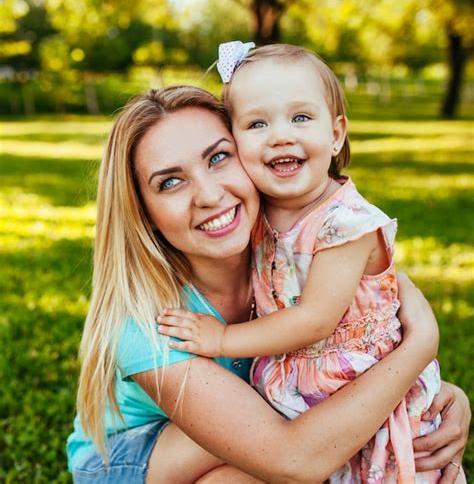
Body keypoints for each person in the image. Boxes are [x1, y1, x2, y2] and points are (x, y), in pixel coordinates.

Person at [67, 85, 470, 484]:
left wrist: (426, 399)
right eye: (170, 182)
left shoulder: (296, 255)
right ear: (145, 212)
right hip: (134, 457)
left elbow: (353, 351)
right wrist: (418, 349)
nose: (209, 195)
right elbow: (294, 459)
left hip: (265, 421)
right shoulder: (151, 323)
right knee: (258, 470)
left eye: (219, 157)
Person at [156, 43, 457, 483]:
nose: (280, 135)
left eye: (300, 118)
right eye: (257, 123)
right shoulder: (256, 211)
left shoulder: (345, 224)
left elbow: (315, 320)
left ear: (336, 134)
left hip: (357, 382)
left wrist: (222, 339)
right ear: (236, 145)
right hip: (302, 384)